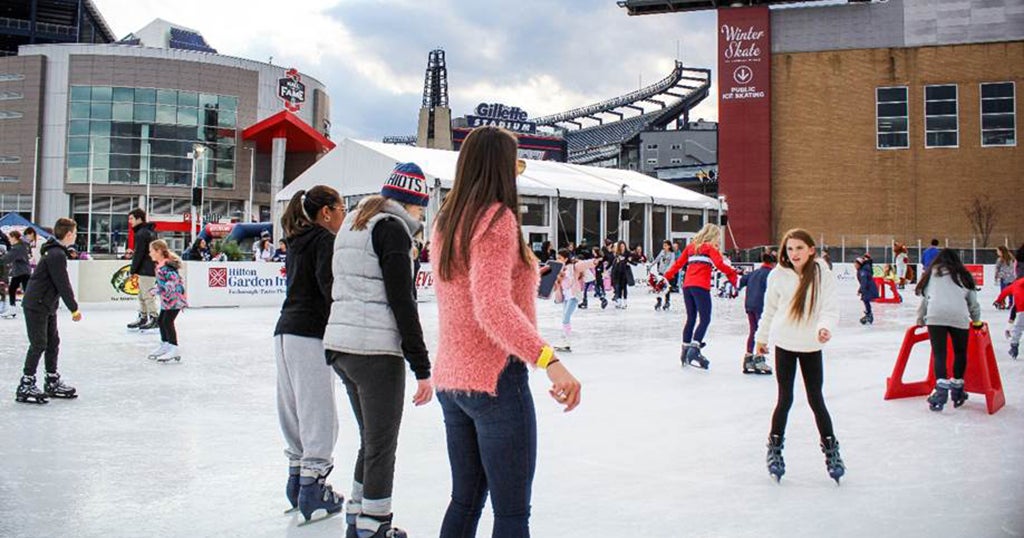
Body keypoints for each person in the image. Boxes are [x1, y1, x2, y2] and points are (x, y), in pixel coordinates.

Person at [432, 126, 581, 537]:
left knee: (464, 501)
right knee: (512, 514)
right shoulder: (497, 219)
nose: (518, 172)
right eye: (516, 162)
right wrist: (549, 359)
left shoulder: (446, 221)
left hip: (453, 380)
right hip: (495, 379)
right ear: (500, 166)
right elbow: (492, 306)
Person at [324, 164, 433, 537]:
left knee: (371, 438)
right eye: (422, 208)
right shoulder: (392, 229)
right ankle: (375, 525)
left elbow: (331, 280)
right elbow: (403, 300)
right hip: (375, 352)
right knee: (382, 445)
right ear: (413, 203)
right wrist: (421, 366)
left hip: (341, 347)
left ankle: (358, 516)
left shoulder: (356, 221)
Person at [273, 186, 346, 521]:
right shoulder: (324, 241)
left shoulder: (297, 239)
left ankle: (296, 478)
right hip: (309, 333)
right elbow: (328, 287)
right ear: (326, 212)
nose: (344, 215)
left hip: (285, 331)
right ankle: (313, 488)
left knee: (294, 408)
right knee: (317, 410)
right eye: (342, 208)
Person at [755, 229, 843, 484]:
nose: (794, 254)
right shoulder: (777, 276)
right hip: (784, 342)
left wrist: (824, 328)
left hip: (811, 344)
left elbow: (830, 307)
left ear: (811, 250)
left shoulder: (821, 274)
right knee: (785, 398)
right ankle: (774, 449)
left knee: (816, 399)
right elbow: (769, 310)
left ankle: (831, 450)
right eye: (790, 249)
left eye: (799, 248)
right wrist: (761, 339)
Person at [15, 218, 83, 404]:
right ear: (68, 234)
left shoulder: (56, 252)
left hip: (46, 304)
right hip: (36, 304)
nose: (75, 236)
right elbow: (62, 283)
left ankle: (52, 379)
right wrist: (74, 308)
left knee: (53, 342)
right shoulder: (56, 255)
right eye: (75, 233)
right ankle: (26, 383)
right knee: (39, 343)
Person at [916, 249, 982, 411]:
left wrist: (920, 319)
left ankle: (941, 390)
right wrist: (976, 321)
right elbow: (972, 301)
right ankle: (958, 388)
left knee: (940, 353)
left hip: (935, 316)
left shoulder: (933, 273)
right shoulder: (964, 275)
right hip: (958, 317)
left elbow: (926, 299)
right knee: (960, 352)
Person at [664, 223, 739, 369]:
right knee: (705, 319)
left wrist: (667, 276)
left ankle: (685, 350)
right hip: (701, 287)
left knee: (691, 318)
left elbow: (678, 264)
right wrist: (733, 273)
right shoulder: (710, 248)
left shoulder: (691, 248)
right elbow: (720, 265)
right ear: (713, 236)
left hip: (687, 287)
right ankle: (695, 347)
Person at [147, 240, 187, 363]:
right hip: (167, 300)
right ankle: (166, 344)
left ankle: (174, 348)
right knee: (161, 321)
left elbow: (173, 282)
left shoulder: (167, 266)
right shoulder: (160, 266)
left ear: (158, 251)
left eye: (152, 251)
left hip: (175, 299)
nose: (150, 254)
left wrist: (159, 290)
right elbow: (162, 282)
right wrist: (156, 289)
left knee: (167, 321)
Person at [552, 248, 600, 351]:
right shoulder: (559, 269)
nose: (557, 260)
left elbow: (585, 264)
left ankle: (566, 340)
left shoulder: (573, 267)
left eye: (559, 258)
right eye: (557, 258)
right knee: (565, 317)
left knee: (566, 317)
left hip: (573, 296)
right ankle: (565, 340)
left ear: (565, 259)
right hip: (565, 297)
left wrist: (594, 261)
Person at [738, 252, 776, 375]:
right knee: (762, 332)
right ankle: (759, 359)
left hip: (749, 305)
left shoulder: (753, 273)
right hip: (761, 306)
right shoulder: (771, 274)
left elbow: (741, 282)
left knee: (753, 331)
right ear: (773, 263)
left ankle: (748, 358)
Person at [127, 208, 159, 331]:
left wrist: (132, 269)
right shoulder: (149, 232)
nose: (130, 221)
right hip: (147, 268)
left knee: (147, 295)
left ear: (139, 218)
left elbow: (139, 253)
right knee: (142, 295)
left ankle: (153, 317)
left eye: (131, 218)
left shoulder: (141, 234)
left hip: (146, 269)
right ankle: (144, 317)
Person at [3, 230, 31, 318]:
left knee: (14, 289)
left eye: (10, 238)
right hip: (23, 271)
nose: (9, 240)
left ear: (14, 238)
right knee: (23, 290)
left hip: (21, 272)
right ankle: (14, 309)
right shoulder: (22, 246)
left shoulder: (17, 248)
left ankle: (14, 309)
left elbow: (7, 258)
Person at [995, 275, 1024, 359]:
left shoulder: (1013, 285)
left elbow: (1003, 293)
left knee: (1018, 328)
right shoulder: (1019, 282)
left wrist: (998, 301)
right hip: (1020, 308)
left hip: (1021, 309)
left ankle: (1014, 346)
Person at [996, 245, 1017, 336]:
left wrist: (998, 275)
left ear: (1001, 251)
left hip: (1005, 278)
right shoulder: (1010, 258)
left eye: (997, 251)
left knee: (1004, 292)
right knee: (1010, 293)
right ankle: (1010, 304)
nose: (997, 252)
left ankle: (1003, 304)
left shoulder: (1002, 259)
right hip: (1011, 278)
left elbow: (999, 269)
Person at [651, 240, 676, 311]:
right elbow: (657, 259)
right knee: (658, 287)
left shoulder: (672, 254)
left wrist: (666, 272)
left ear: (669, 246)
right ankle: (659, 301)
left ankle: (667, 301)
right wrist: (651, 265)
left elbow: (671, 263)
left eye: (666, 245)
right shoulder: (662, 252)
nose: (664, 247)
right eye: (663, 245)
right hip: (661, 272)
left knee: (666, 288)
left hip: (667, 274)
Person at [854, 253, 878, 325]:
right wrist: (860, 290)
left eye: (856, 264)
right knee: (865, 301)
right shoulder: (862, 270)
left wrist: (861, 290)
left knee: (866, 300)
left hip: (869, 289)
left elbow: (864, 282)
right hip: (868, 288)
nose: (854, 266)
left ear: (859, 264)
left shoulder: (863, 271)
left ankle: (869, 314)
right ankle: (868, 314)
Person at [610, 241, 632, 309]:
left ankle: (625, 302)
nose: (622, 248)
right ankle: (619, 302)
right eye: (621, 246)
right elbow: (615, 263)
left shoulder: (627, 254)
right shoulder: (617, 254)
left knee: (624, 288)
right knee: (618, 288)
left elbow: (630, 261)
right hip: (618, 272)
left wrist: (628, 261)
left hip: (625, 273)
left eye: (623, 246)